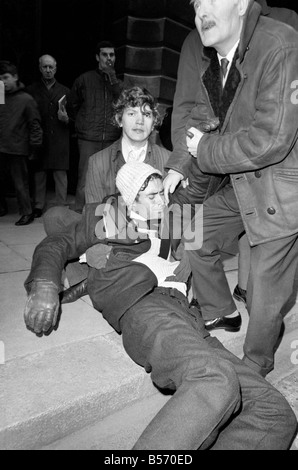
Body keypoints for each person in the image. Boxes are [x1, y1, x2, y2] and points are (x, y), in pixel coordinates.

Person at [23, 161, 297, 450]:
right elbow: (56, 244)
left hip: (187, 317)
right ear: (131, 200)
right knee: (214, 379)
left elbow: (199, 195)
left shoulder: (172, 219)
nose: (162, 201)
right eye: (152, 196)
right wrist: (45, 285)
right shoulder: (110, 217)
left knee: (274, 413)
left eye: (162, 193)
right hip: (145, 306)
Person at [163, 0, 298, 378]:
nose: (201, 10)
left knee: (264, 295)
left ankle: (255, 366)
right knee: (195, 234)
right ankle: (221, 310)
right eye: (196, 3)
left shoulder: (280, 45)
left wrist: (203, 151)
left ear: (241, 5)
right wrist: (179, 167)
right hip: (244, 181)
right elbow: (203, 119)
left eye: (212, 0)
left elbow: (270, 140)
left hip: (282, 190)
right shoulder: (220, 60)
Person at [43, 86, 171, 303]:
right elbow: (94, 216)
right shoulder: (98, 161)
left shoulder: (168, 161)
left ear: (154, 123)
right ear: (119, 119)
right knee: (55, 216)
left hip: (148, 237)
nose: (139, 121)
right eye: (132, 113)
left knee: (182, 234)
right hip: (109, 231)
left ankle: (94, 281)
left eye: (147, 114)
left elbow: (175, 217)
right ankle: (94, 277)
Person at [67, 40, 123, 213]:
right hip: (88, 138)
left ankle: (104, 215)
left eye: (112, 55)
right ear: (97, 57)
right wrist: (82, 124)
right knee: (84, 179)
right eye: (105, 54)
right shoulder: (84, 79)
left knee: (109, 179)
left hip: (111, 138)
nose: (108, 58)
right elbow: (72, 104)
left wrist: (112, 77)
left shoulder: (118, 82)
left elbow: (123, 102)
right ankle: (78, 214)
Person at [26, 55, 70, 218]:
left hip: (59, 137)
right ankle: (38, 205)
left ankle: (61, 205)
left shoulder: (65, 91)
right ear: (40, 68)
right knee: (39, 172)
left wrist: (67, 119)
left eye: (51, 67)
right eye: (45, 67)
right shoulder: (31, 90)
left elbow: (74, 116)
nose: (48, 70)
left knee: (60, 173)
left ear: (56, 69)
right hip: (41, 138)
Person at [0, 60, 43, 225]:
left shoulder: (26, 99)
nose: (3, 81)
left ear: (15, 77)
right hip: (1, 146)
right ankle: (1, 207)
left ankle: (27, 212)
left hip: (17, 148)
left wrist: (35, 148)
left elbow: (35, 126)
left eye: (6, 77)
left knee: (20, 184)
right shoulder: (1, 96)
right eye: (0, 78)